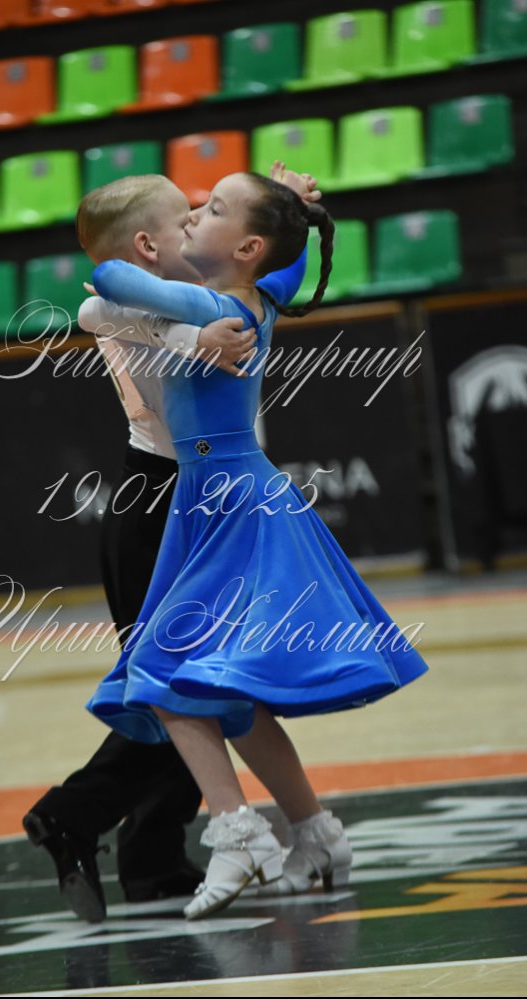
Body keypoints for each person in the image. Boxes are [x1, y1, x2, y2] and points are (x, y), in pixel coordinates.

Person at [85, 171, 429, 920]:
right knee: (221, 693)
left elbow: (108, 276)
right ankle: (316, 833)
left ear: (245, 248)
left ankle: (238, 832)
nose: (191, 218)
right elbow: (284, 263)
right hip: (223, 496)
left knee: (161, 671)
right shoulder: (259, 294)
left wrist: (185, 321)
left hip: (226, 500)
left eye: (208, 211)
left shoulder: (218, 305)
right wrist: (294, 208)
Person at [23, 168, 318, 922]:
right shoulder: (141, 304)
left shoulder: (208, 291)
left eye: (203, 211)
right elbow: (102, 305)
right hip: (158, 502)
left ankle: (156, 855)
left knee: (207, 685)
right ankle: (78, 818)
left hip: (203, 498)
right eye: (185, 214)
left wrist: (290, 210)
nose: (196, 220)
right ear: (149, 246)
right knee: (172, 685)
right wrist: (194, 336)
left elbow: (268, 268)